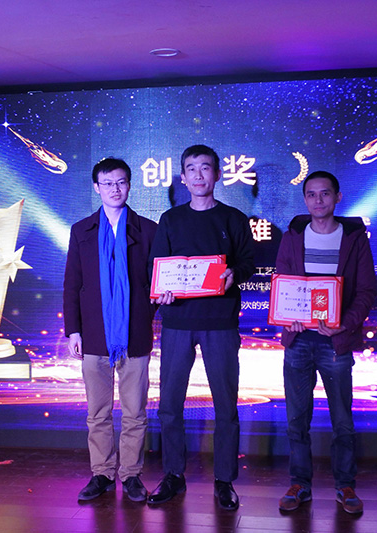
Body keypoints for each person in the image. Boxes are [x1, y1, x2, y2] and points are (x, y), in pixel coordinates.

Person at [147, 144, 255, 511]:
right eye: (191, 168)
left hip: (220, 323)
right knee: (169, 404)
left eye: (205, 168)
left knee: (225, 404)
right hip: (177, 322)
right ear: (183, 177)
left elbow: (248, 263)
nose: (198, 174)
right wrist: (161, 292)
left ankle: (224, 480)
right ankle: (173, 474)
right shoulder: (170, 219)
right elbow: (157, 268)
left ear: (217, 174)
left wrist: (234, 273)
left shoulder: (234, 219)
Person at [274, 170, 377, 515]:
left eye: (325, 193)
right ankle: (299, 484)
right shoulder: (292, 236)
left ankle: (345, 486)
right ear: (305, 199)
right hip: (299, 339)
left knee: (342, 420)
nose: (318, 200)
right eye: (311, 194)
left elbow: (366, 291)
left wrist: (343, 325)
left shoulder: (354, 239)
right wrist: (288, 315)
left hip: (335, 342)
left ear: (337, 197)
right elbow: (283, 283)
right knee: (296, 419)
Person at [63, 158, 158, 503]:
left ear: (129, 185)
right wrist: (73, 331)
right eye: (107, 183)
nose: (115, 189)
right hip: (93, 334)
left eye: (121, 182)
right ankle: (102, 473)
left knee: (135, 413)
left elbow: (156, 282)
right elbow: (72, 283)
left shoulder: (148, 230)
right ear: (96, 187)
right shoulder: (82, 230)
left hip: (135, 334)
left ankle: (131, 474)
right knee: (97, 413)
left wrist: (144, 312)